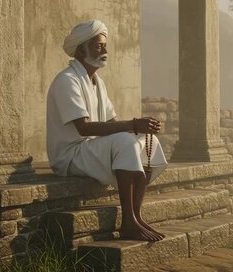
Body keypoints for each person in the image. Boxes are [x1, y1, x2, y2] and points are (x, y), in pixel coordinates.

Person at [46, 19, 168, 241]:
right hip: (70, 155)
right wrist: (132, 125)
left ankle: (136, 217)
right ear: (82, 48)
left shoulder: (97, 83)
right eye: (99, 45)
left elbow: (113, 121)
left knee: (143, 139)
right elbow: (83, 129)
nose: (105, 50)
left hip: (91, 149)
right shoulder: (67, 80)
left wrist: (141, 127)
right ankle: (128, 222)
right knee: (125, 140)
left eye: (105, 45)